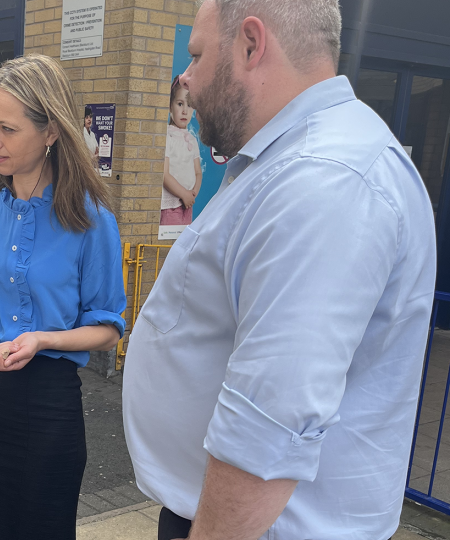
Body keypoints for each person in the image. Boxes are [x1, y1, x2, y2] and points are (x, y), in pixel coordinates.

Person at [122, 0, 436, 539]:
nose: (185, 77)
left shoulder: (322, 179)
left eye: (196, 56)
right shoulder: (288, 161)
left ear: (250, 44)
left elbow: (269, 422)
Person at [0, 54, 126, 540]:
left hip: (45, 403)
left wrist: (42, 339)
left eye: (8, 129)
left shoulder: (91, 219)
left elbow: (108, 328)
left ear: (51, 130)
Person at [160, 76, 202, 227]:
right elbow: (164, 174)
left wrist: (192, 193)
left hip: (187, 205)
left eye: (189, 105)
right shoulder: (167, 135)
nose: (185, 110)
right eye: (179, 104)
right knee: (167, 245)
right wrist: (183, 194)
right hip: (170, 206)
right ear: (170, 106)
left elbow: (198, 172)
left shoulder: (191, 139)